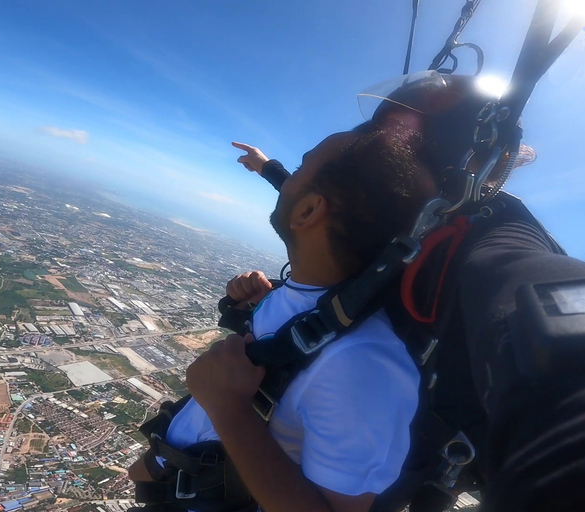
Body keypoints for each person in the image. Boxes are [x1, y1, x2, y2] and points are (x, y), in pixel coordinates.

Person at [231, 117, 585, 511]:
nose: (380, 147)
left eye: (393, 137)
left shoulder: (493, 228)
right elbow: (336, 202)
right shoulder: (408, 210)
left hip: (384, 453)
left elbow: (530, 281)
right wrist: (273, 170)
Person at [130, 121, 438, 512]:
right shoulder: (314, 299)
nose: (288, 180)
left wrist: (229, 409)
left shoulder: (363, 363)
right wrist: (253, 310)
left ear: (309, 211)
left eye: (302, 166)